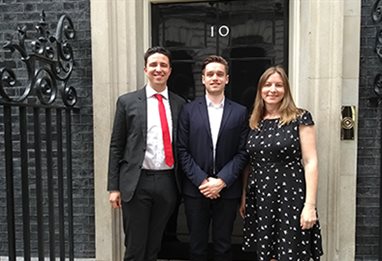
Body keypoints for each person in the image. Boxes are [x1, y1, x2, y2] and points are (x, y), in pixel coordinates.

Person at [107, 46, 186, 261]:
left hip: (168, 182)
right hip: (136, 181)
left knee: (154, 245)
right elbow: (116, 145)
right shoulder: (127, 102)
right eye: (153, 65)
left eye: (163, 65)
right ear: (145, 69)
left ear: (170, 70)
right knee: (135, 246)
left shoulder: (180, 104)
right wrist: (113, 187)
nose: (158, 69)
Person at [240, 65, 323, 260]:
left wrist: (310, 205)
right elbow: (249, 163)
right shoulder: (255, 121)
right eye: (267, 85)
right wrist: (244, 194)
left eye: (278, 85)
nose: (272, 90)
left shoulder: (299, 117)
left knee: (290, 253)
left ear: (286, 90)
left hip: (290, 195)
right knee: (267, 254)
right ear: (260, 89)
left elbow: (311, 161)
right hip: (260, 196)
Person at [177, 55, 249, 261]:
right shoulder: (188, 110)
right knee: (197, 247)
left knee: (223, 246)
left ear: (227, 79)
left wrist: (222, 181)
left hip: (227, 190)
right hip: (195, 189)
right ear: (202, 79)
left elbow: (243, 152)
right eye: (210, 74)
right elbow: (182, 150)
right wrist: (203, 181)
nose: (215, 78)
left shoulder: (240, 112)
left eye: (219, 74)